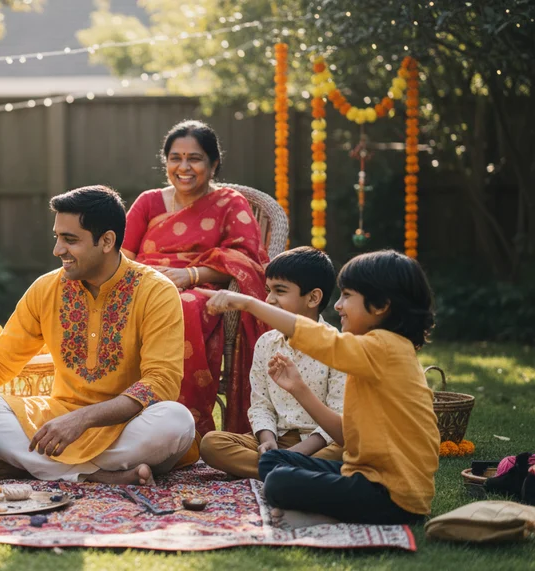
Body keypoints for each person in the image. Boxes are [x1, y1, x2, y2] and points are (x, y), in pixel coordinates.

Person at [0, 186, 196, 485]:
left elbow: (161, 383)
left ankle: (36, 465)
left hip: (125, 424)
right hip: (57, 419)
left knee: (176, 422)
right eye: (57, 237)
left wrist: (82, 420)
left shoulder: (155, 291)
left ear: (107, 241)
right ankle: (98, 476)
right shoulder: (46, 289)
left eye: (70, 240)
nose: (58, 250)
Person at [200, 250, 439, 525]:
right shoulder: (373, 351)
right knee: (271, 463)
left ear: (381, 305)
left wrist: (248, 304)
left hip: (394, 495)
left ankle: (323, 515)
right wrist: (299, 389)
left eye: (347, 295)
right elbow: (346, 434)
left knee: (279, 479)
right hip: (363, 474)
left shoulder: (385, 348)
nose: (337, 306)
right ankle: (322, 510)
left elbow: (325, 341)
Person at [122, 120, 268, 438]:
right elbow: (122, 256)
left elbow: (244, 259)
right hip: (145, 284)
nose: (184, 167)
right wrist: (144, 279)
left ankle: (182, 427)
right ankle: (117, 416)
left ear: (213, 164)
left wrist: (188, 275)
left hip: (203, 288)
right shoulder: (148, 202)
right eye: (175, 158)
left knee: (183, 304)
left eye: (195, 158)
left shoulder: (230, 203)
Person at [199, 247, 345, 480]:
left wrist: (296, 454)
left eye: (280, 291)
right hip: (278, 440)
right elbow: (261, 404)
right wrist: (268, 441)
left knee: (347, 450)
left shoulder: (337, 346)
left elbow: (340, 415)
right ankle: (293, 474)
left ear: (313, 297)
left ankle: (280, 471)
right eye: (268, 290)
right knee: (211, 443)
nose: (269, 299)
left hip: (321, 443)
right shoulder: (266, 343)